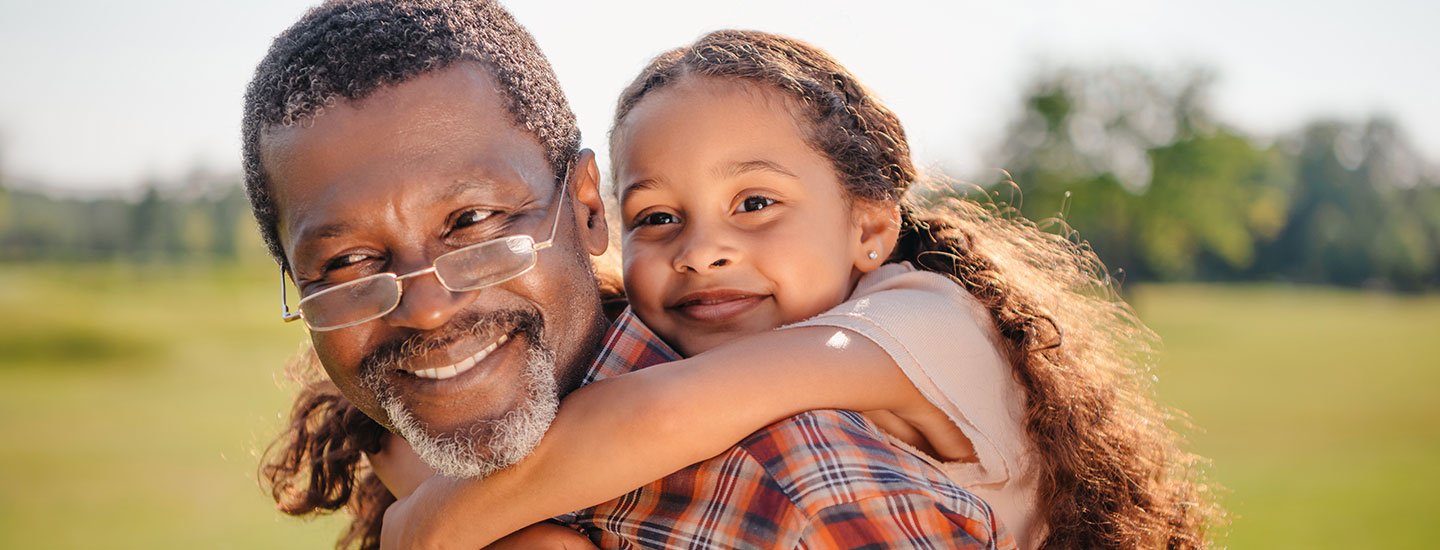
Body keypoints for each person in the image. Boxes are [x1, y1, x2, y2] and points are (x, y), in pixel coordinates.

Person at [374, 30, 1219, 549]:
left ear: (868, 227)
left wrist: (431, 519)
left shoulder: (927, 323)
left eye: (755, 204)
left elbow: (661, 415)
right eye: (658, 217)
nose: (703, 251)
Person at [246, 1, 1011, 549]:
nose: (426, 307)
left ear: (583, 210)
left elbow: (661, 417)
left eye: (473, 221)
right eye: (346, 262)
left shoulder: (801, 490)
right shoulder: (407, 455)